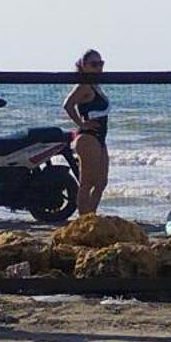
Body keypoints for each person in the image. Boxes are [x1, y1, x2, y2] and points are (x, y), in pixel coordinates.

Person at [62, 48, 110, 216]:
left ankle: (91, 215)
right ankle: (83, 218)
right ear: (83, 66)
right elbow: (68, 104)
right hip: (88, 138)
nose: (98, 68)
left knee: (101, 182)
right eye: (94, 64)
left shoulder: (95, 86)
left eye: (101, 64)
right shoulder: (83, 86)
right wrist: (81, 123)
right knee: (87, 182)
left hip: (100, 137)